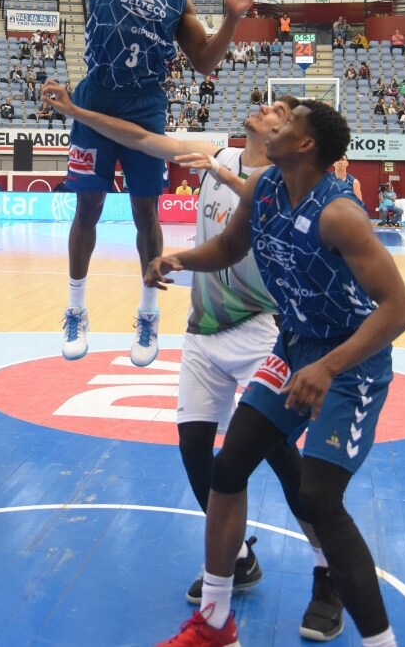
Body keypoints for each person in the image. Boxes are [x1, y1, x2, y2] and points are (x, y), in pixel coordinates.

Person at [41, 83, 344, 641]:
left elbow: (264, 197)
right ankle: (237, 556)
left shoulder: (287, 184)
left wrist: (221, 174)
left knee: (277, 454)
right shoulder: (218, 154)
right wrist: (78, 112)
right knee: (195, 449)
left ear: (295, 137)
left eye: (281, 111)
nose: (267, 109)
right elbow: (136, 136)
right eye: (270, 105)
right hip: (204, 328)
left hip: (261, 329)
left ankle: (328, 573)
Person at [144, 100, 405, 647]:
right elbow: (228, 246)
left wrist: (329, 366)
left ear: (307, 143)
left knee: (317, 496)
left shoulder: (339, 214)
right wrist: (179, 258)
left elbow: (399, 310)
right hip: (294, 347)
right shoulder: (265, 188)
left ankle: (379, 639)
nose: (277, 124)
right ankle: (215, 622)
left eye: (289, 122)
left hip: (351, 361)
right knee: (229, 466)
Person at [50, 0, 260, 366]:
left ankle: (147, 313)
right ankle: (76, 308)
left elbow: (207, 62)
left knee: (146, 211)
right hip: (97, 93)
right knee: (89, 207)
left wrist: (232, 18)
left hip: (145, 106)